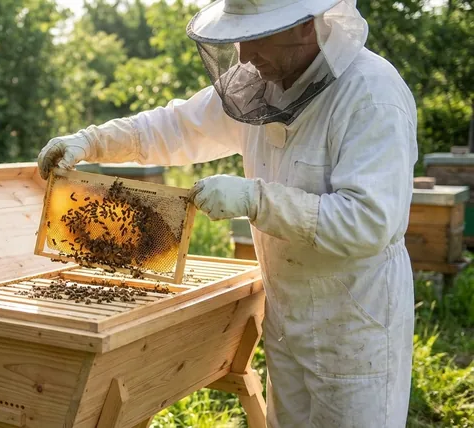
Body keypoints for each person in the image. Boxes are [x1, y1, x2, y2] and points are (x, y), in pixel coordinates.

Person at [37, 0, 418, 426]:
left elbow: (369, 222)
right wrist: (92, 141)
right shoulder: (257, 87)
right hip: (286, 317)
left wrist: (257, 200)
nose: (244, 55)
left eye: (258, 36)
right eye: (239, 37)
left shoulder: (371, 93)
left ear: (307, 26)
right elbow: (173, 127)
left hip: (354, 328)